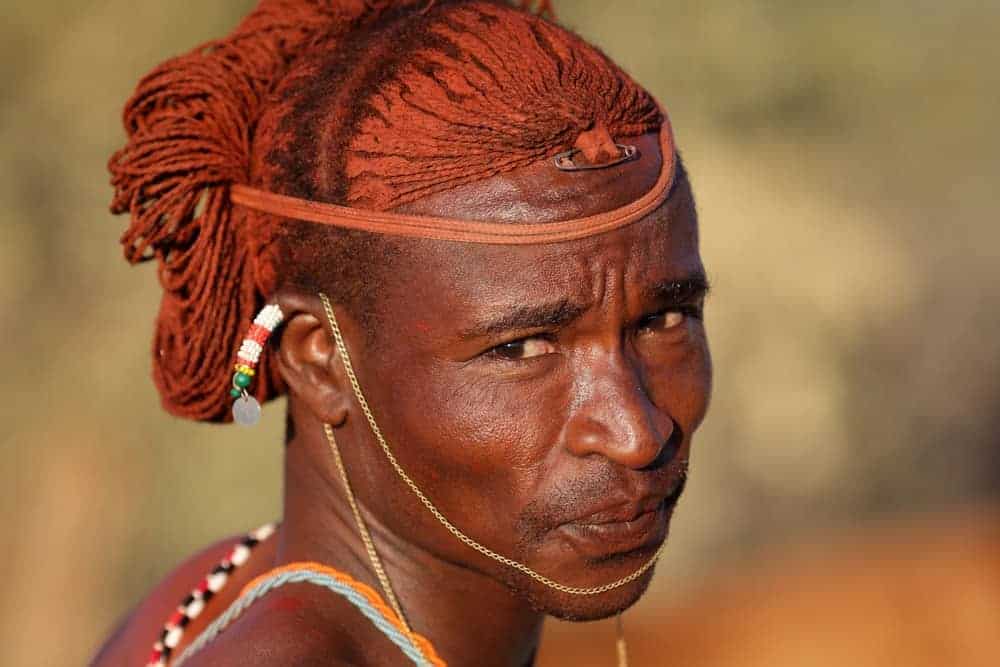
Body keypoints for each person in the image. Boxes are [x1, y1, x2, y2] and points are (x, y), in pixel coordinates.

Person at [92, 1, 712, 665]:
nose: (636, 433)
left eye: (662, 320)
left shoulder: (211, 587)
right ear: (321, 358)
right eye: (523, 346)